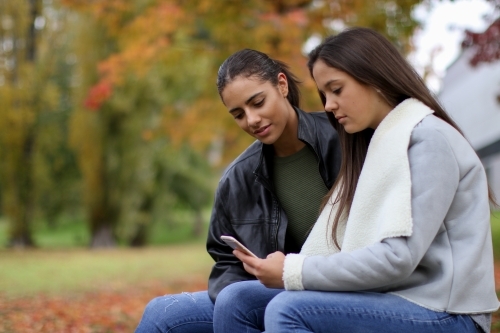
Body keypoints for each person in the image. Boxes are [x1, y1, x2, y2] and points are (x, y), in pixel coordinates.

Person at [227, 27, 500, 333]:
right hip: (392, 298)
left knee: (288, 309)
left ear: (375, 78)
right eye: (324, 94)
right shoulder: (377, 145)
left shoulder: (428, 140)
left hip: (448, 312)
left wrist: (294, 269)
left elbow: (398, 258)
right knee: (238, 299)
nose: (328, 104)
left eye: (337, 90)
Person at [134, 49, 341, 332]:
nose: (252, 120)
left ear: (281, 85)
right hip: (269, 294)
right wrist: (242, 299)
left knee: (237, 300)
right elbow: (226, 262)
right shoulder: (237, 178)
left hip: (335, 287)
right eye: (238, 114)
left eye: (258, 102)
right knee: (162, 315)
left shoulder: (343, 139)